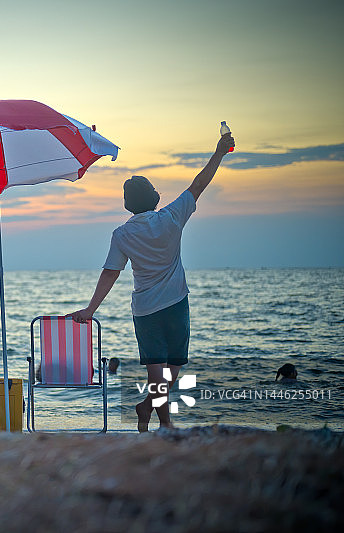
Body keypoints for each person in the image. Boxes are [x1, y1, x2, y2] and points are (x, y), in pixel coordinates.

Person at [67, 129, 235, 432]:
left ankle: (146, 406)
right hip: (174, 303)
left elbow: (110, 272)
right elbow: (198, 184)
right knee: (168, 367)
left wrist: (91, 309)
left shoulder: (123, 233)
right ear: (154, 197)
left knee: (166, 366)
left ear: (128, 204)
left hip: (147, 307)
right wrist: (219, 153)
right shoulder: (171, 217)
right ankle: (165, 424)